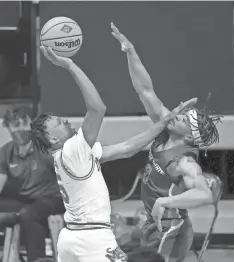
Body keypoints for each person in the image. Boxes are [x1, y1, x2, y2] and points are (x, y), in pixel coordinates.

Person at [31, 46, 197, 262]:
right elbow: (98, 108)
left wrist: (165, 122)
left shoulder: (75, 155)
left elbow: (128, 148)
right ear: (53, 139)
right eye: (59, 123)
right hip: (92, 239)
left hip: (71, 236)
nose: (66, 121)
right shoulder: (73, 149)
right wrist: (70, 65)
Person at [111, 23, 222, 261]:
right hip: (163, 219)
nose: (177, 114)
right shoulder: (165, 128)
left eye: (184, 119)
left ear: (190, 136)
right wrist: (131, 52)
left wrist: (165, 200)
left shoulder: (184, 161)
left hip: (166, 223)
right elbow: (145, 89)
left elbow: (204, 196)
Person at [0, 105, 65, 262]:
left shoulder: (45, 148)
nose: (20, 128)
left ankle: (38, 259)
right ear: (8, 127)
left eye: (24, 123)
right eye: (15, 124)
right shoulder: (5, 152)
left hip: (53, 198)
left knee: (29, 214)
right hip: (25, 199)